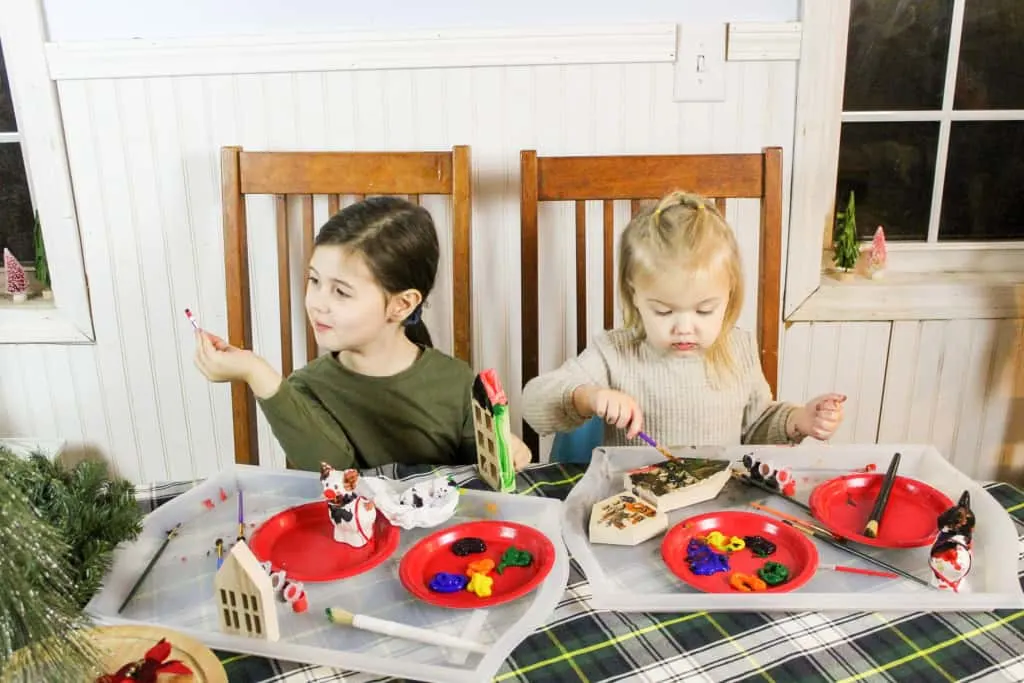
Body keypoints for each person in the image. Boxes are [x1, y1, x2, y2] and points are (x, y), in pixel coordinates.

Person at [194, 196, 532, 472]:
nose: (317, 303)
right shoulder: (307, 388)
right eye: (314, 281)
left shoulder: (455, 382)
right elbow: (333, 468)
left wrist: (510, 451)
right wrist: (256, 371)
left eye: (340, 292)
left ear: (401, 305)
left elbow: (484, 471)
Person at [522, 190, 844, 455]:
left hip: (717, 515)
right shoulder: (613, 353)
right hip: (635, 514)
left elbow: (757, 425)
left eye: (704, 311)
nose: (685, 328)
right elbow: (533, 403)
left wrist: (800, 419)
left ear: (728, 295)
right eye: (664, 312)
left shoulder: (739, 349)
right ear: (634, 295)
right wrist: (586, 396)